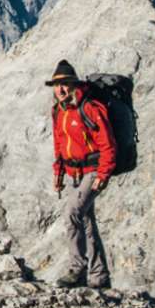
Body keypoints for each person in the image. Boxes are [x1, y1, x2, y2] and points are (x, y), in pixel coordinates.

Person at [46, 59, 116, 289]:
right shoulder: (59, 111)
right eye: (57, 86)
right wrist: (58, 175)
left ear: (74, 84)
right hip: (75, 173)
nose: (61, 89)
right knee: (86, 222)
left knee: (72, 213)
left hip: (93, 171)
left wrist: (102, 175)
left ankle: (77, 269)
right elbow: (59, 146)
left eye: (65, 84)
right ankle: (99, 276)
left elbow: (108, 144)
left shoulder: (89, 108)